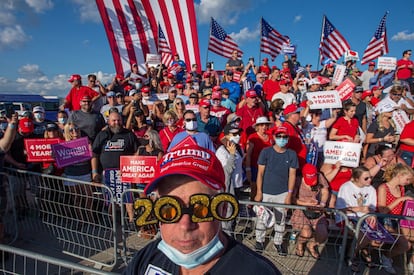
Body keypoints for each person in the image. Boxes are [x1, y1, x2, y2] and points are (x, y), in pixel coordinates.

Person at [123, 144, 280, 274]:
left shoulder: (257, 272)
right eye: (169, 209)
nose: (185, 224)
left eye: (200, 208)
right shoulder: (146, 259)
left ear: (223, 209)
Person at [254, 126, 298, 256]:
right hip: (266, 192)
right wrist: (259, 192)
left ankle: (278, 243)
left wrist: (289, 194)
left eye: (284, 136)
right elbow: (260, 173)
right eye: (279, 136)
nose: (282, 139)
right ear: (274, 137)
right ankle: (259, 240)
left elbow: (292, 175)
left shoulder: (292, 154)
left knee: (280, 220)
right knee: (261, 218)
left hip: (282, 193)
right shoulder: (266, 152)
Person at [91, 112, 140, 226]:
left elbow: (137, 151)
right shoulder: (102, 135)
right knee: (109, 199)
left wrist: (131, 164)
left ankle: (131, 221)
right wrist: (94, 172)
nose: (116, 123)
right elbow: (95, 154)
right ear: (109, 121)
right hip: (107, 173)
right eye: (114, 120)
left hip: (125, 172)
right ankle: (111, 221)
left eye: (118, 120)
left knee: (128, 198)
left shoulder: (129, 134)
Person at [334, 166, 379, 273]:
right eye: (366, 178)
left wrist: (372, 214)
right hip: (346, 218)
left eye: (370, 177)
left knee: (377, 238)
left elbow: (372, 207)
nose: (369, 180)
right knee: (363, 236)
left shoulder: (371, 189)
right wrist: (360, 209)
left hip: (364, 218)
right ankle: (351, 255)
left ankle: (360, 249)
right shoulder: (346, 187)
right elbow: (341, 209)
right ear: (357, 178)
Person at [377, 163, 414, 273]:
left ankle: (412, 262)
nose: (408, 182)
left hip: (399, 220)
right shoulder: (383, 187)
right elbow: (382, 210)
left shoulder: (401, 188)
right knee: (405, 244)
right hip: (385, 220)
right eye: (407, 179)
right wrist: (400, 200)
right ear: (399, 175)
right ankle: (386, 256)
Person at [290, 164, 329, 259]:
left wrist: (322, 204)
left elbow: (325, 191)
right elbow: (293, 199)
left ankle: (311, 245)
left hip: (317, 209)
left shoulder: (320, 177)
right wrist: (305, 202)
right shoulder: (298, 180)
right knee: (306, 233)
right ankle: (300, 243)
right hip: (302, 209)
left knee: (323, 234)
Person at [245, 116, 273, 198]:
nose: (264, 127)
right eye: (261, 125)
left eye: (265, 125)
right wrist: (248, 169)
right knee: (255, 189)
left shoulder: (271, 137)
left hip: (268, 168)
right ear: (257, 127)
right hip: (255, 167)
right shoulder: (252, 138)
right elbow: (248, 155)